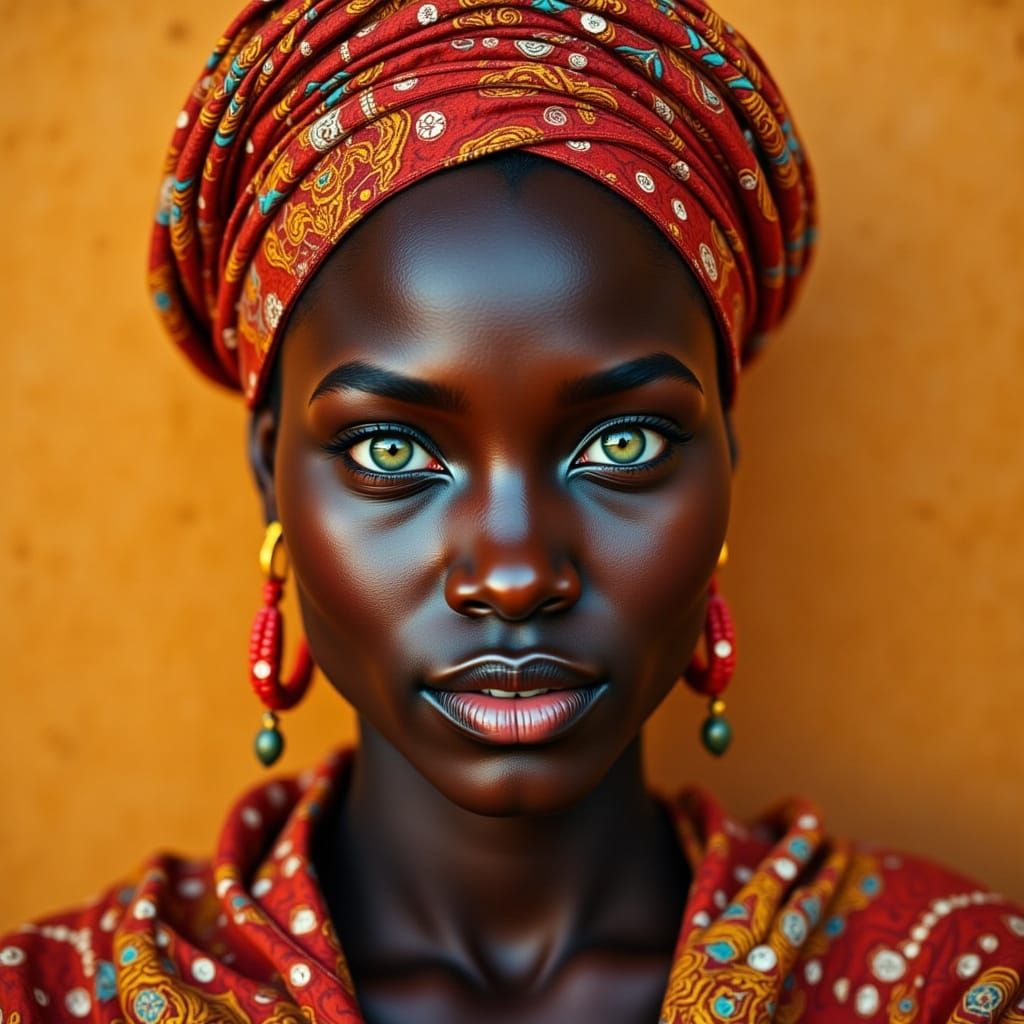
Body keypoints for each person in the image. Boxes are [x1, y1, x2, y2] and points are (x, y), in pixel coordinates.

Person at [1, 0, 1021, 1020]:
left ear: (726, 464)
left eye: (622, 443)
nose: (515, 569)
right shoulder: (50, 1001)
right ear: (271, 473)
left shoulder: (957, 985)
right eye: (391, 450)